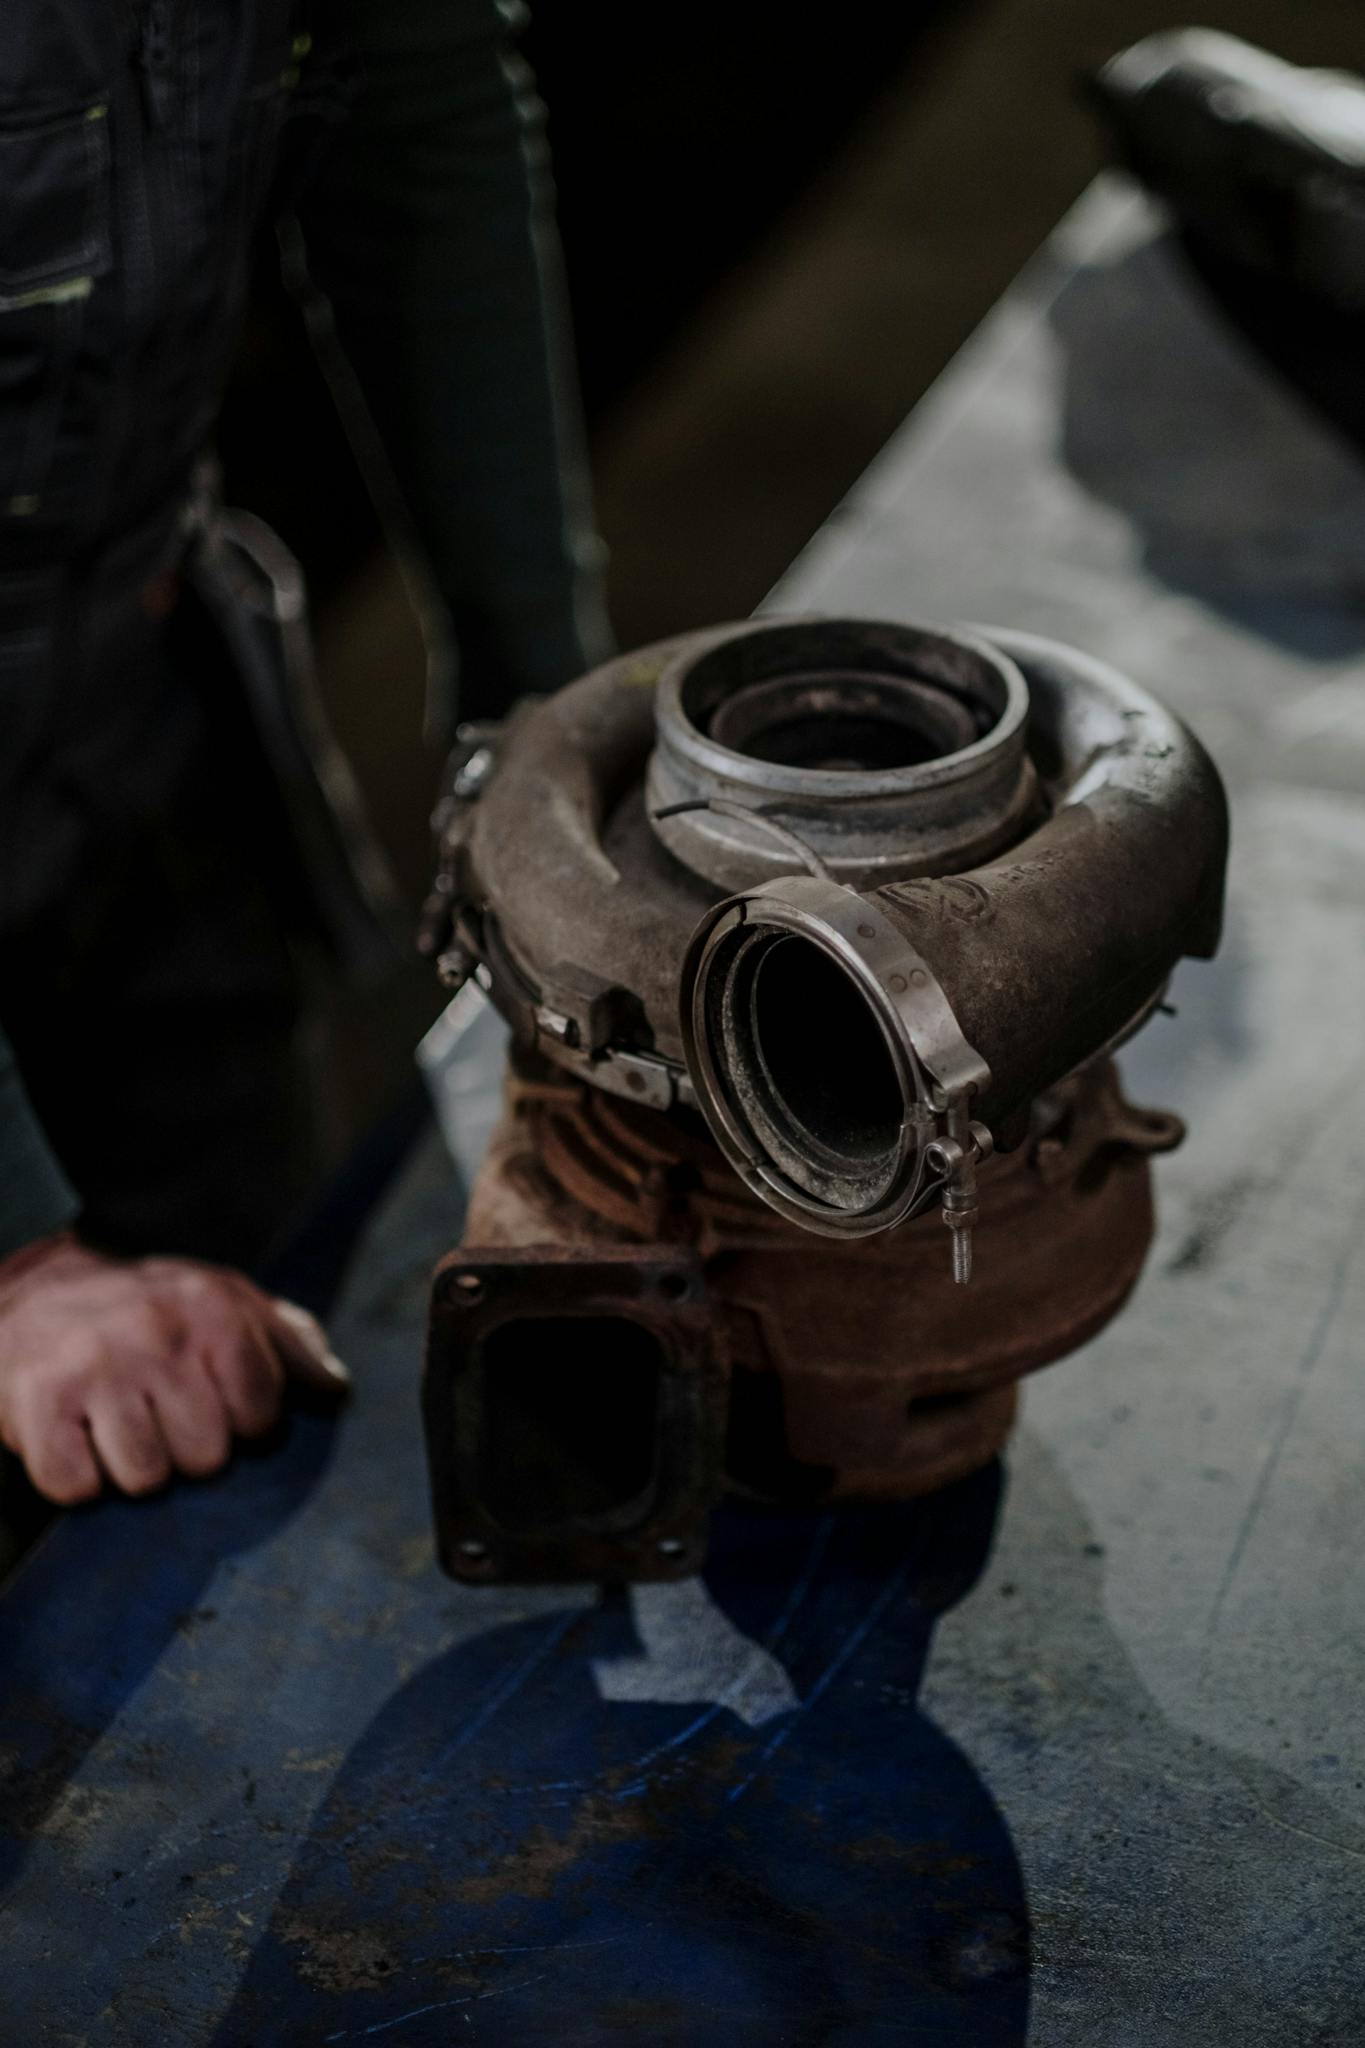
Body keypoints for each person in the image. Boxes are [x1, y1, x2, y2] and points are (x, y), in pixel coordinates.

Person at [0, 0, 609, 1510]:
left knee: (270, 1399)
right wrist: (19, 1258)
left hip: (134, 750)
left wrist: (549, 717)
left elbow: (410, 90)